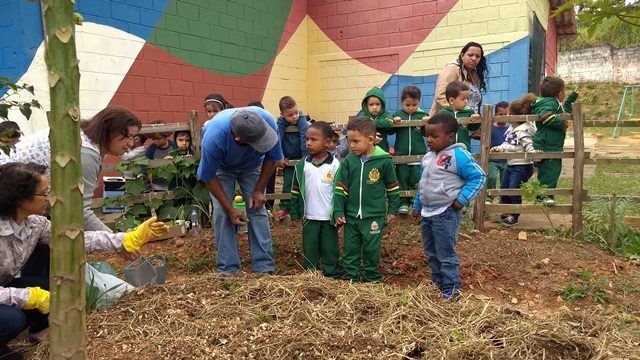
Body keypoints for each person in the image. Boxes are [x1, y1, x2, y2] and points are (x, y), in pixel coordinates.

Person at [0, 162, 169, 360]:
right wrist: (29, 297)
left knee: (59, 290)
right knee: (13, 319)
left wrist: (126, 239)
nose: (50, 198)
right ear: (20, 198)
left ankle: (31, 334)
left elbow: (74, 239)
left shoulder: (33, 224)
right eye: (44, 193)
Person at [10, 107, 142, 241]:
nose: (131, 144)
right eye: (128, 137)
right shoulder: (85, 153)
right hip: (8, 201)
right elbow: (78, 212)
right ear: (108, 131)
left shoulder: (82, 136)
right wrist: (118, 241)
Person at [198, 107, 283, 275]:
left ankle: (264, 267)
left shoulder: (266, 120)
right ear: (237, 137)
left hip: (252, 166)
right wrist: (230, 209)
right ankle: (228, 269)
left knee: (258, 209)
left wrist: (259, 190)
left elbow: (273, 157)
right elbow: (208, 177)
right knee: (223, 213)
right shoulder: (213, 138)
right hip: (222, 169)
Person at [411, 114, 486, 301]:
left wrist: (462, 200)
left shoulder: (458, 156)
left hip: (445, 213)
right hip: (427, 213)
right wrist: (417, 206)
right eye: (427, 136)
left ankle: (452, 290)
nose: (429, 140)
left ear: (450, 137)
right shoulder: (428, 158)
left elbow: (479, 177)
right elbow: (424, 184)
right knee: (431, 253)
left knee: (446, 254)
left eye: (434, 136)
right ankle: (437, 283)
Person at [334, 118, 399, 283]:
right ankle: (350, 277)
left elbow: (392, 187)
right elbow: (341, 188)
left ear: (370, 140)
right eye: (349, 141)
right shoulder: (349, 160)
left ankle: (371, 277)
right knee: (350, 249)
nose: (352, 145)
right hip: (351, 216)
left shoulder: (384, 160)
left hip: (373, 216)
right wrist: (339, 210)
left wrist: (392, 210)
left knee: (371, 249)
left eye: (356, 141)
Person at [290, 121, 341, 279]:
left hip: (328, 218)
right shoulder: (302, 166)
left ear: (327, 143)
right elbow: (295, 190)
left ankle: (332, 274)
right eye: (307, 139)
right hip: (309, 217)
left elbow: (340, 192)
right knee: (310, 246)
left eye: (313, 140)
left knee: (330, 248)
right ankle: (310, 274)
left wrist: (339, 212)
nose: (309, 143)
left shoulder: (335, 165)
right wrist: (294, 213)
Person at [491, 95, 539, 226]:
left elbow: (529, 146)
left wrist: (534, 153)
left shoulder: (524, 131)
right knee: (504, 188)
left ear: (515, 115)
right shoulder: (512, 129)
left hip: (522, 166)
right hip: (512, 164)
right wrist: (498, 148)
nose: (506, 117)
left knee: (514, 189)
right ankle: (507, 211)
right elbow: (507, 144)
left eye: (508, 114)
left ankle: (514, 215)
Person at [531, 77, 578, 206]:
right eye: (565, 92)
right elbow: (546, 117)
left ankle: (542, 195)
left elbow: (564, 111)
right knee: (551, 171)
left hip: (548, 142)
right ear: (560, 94)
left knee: (547, 171)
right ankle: (545, 196)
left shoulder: (552, 103)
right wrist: (562, 125)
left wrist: (573, 97)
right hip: (549, 143)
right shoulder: (551, 103)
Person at [389, 85, 428, 215]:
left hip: (418, 155)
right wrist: (393, 122)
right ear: (401, 102)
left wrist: (426, 123)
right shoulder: (397, 115)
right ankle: (403, 204)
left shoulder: (422, 115)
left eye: (414, 105)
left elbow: (427, 133)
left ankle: (416, 203)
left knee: (417, 180)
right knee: (402, 179)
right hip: (401, 155)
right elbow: (390, 131)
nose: (411, 108)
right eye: (407, 105)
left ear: (419, 102)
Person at [429, 42, 489, 117]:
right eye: (470, 55)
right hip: (450, 122)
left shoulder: (475, 76)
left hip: (470, 124)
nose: (474, 58)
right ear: (462, 55)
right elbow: (441, 97)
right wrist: (458, 115)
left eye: (477, 56)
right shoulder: (452, 69)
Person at [275, 96, 309, 220]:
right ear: (282, 114)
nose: (295, 116)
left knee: (302, 181)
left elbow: (305, 136)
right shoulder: (280, 122)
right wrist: (279, 155)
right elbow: (277, 137)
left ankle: (302, 207)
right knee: (288, 182)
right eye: (290, 115)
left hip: (301, 156)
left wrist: (306, 158)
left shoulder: (301, 119)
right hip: (287, 158)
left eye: (296, 112)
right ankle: (284, 207)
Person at [437, 81, 481, 150]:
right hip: (447, 150)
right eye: (463, 99)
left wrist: (476, 119)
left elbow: (474, 128)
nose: (466, 101)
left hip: (464, 149)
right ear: (451, 100)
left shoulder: (468, 112)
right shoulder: (442, 114)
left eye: (467, 98)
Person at [142, 120, 176, 192]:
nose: (156, 141)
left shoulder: (174, 146)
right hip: (158, 184)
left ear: (166, 136)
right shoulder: (151, 149)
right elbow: (145, 163)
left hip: (173, 181)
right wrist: (141, 173)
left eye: (159, 139)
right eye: (153, 139)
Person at [486, 102, 509, 205]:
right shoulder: (490, 128)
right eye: (500, 114)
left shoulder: (510, 129)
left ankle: (503, 198)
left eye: (506, 114)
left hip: (506, 159)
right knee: (492, 177)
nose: (503, 117)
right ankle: (489, 197)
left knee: (505, 179)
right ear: (495, 115)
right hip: (492, 159)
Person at [361, 87, 394, 152]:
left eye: (377, 104)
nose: (374, 107)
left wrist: (371, 123)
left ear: (382, 105)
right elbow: (360, 127)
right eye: (371, 104)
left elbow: (389, 123)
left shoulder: (385, 114)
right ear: (366, 106)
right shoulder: (364, 116)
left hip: (382, 150)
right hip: (367, 151)